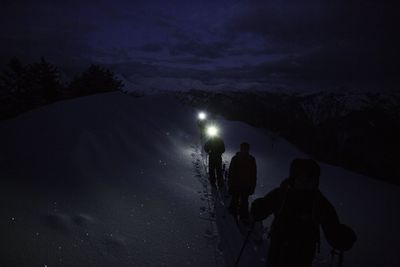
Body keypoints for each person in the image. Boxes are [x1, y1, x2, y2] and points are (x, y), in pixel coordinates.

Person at [250, 159, 356, 267]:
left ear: (315, 182)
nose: (304, 184)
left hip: (303, 252)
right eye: (300, 179)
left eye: (309, 180)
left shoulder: (318, 201)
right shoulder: (282, 193)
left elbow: (330, 225)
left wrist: (339, 237)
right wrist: (259, 209)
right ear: (294, 178)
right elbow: (265, 207)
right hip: (279, 246)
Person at [228, 142, 257, 223]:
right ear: (241, 149)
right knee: (235, 199)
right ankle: (232, 212)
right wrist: (230, 183)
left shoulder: (251, 159)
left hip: (246, 185)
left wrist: (252, 187)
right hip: (236, 184)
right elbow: (231, 172)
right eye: (243, 148)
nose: (245, 150)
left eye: (246, 149)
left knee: (244, 202)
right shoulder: (235, 158)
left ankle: (243, 216)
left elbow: (253, 174)